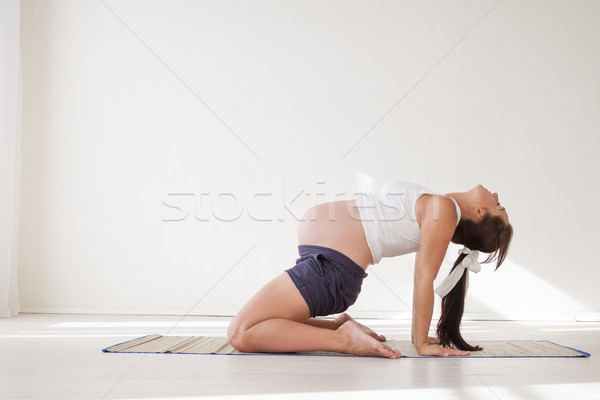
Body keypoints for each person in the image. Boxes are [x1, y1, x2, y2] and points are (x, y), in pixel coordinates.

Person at [227, 181, 513, 358]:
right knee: (261, 324)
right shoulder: (442, 205)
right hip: (323, 264)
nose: (496, 194)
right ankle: (340, 328)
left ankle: (343, 341)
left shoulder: (445, 210)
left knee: (241, 332)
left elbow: (424, 276)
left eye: (497, 204)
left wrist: (420, 342)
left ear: (479, 213)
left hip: (332, 271)